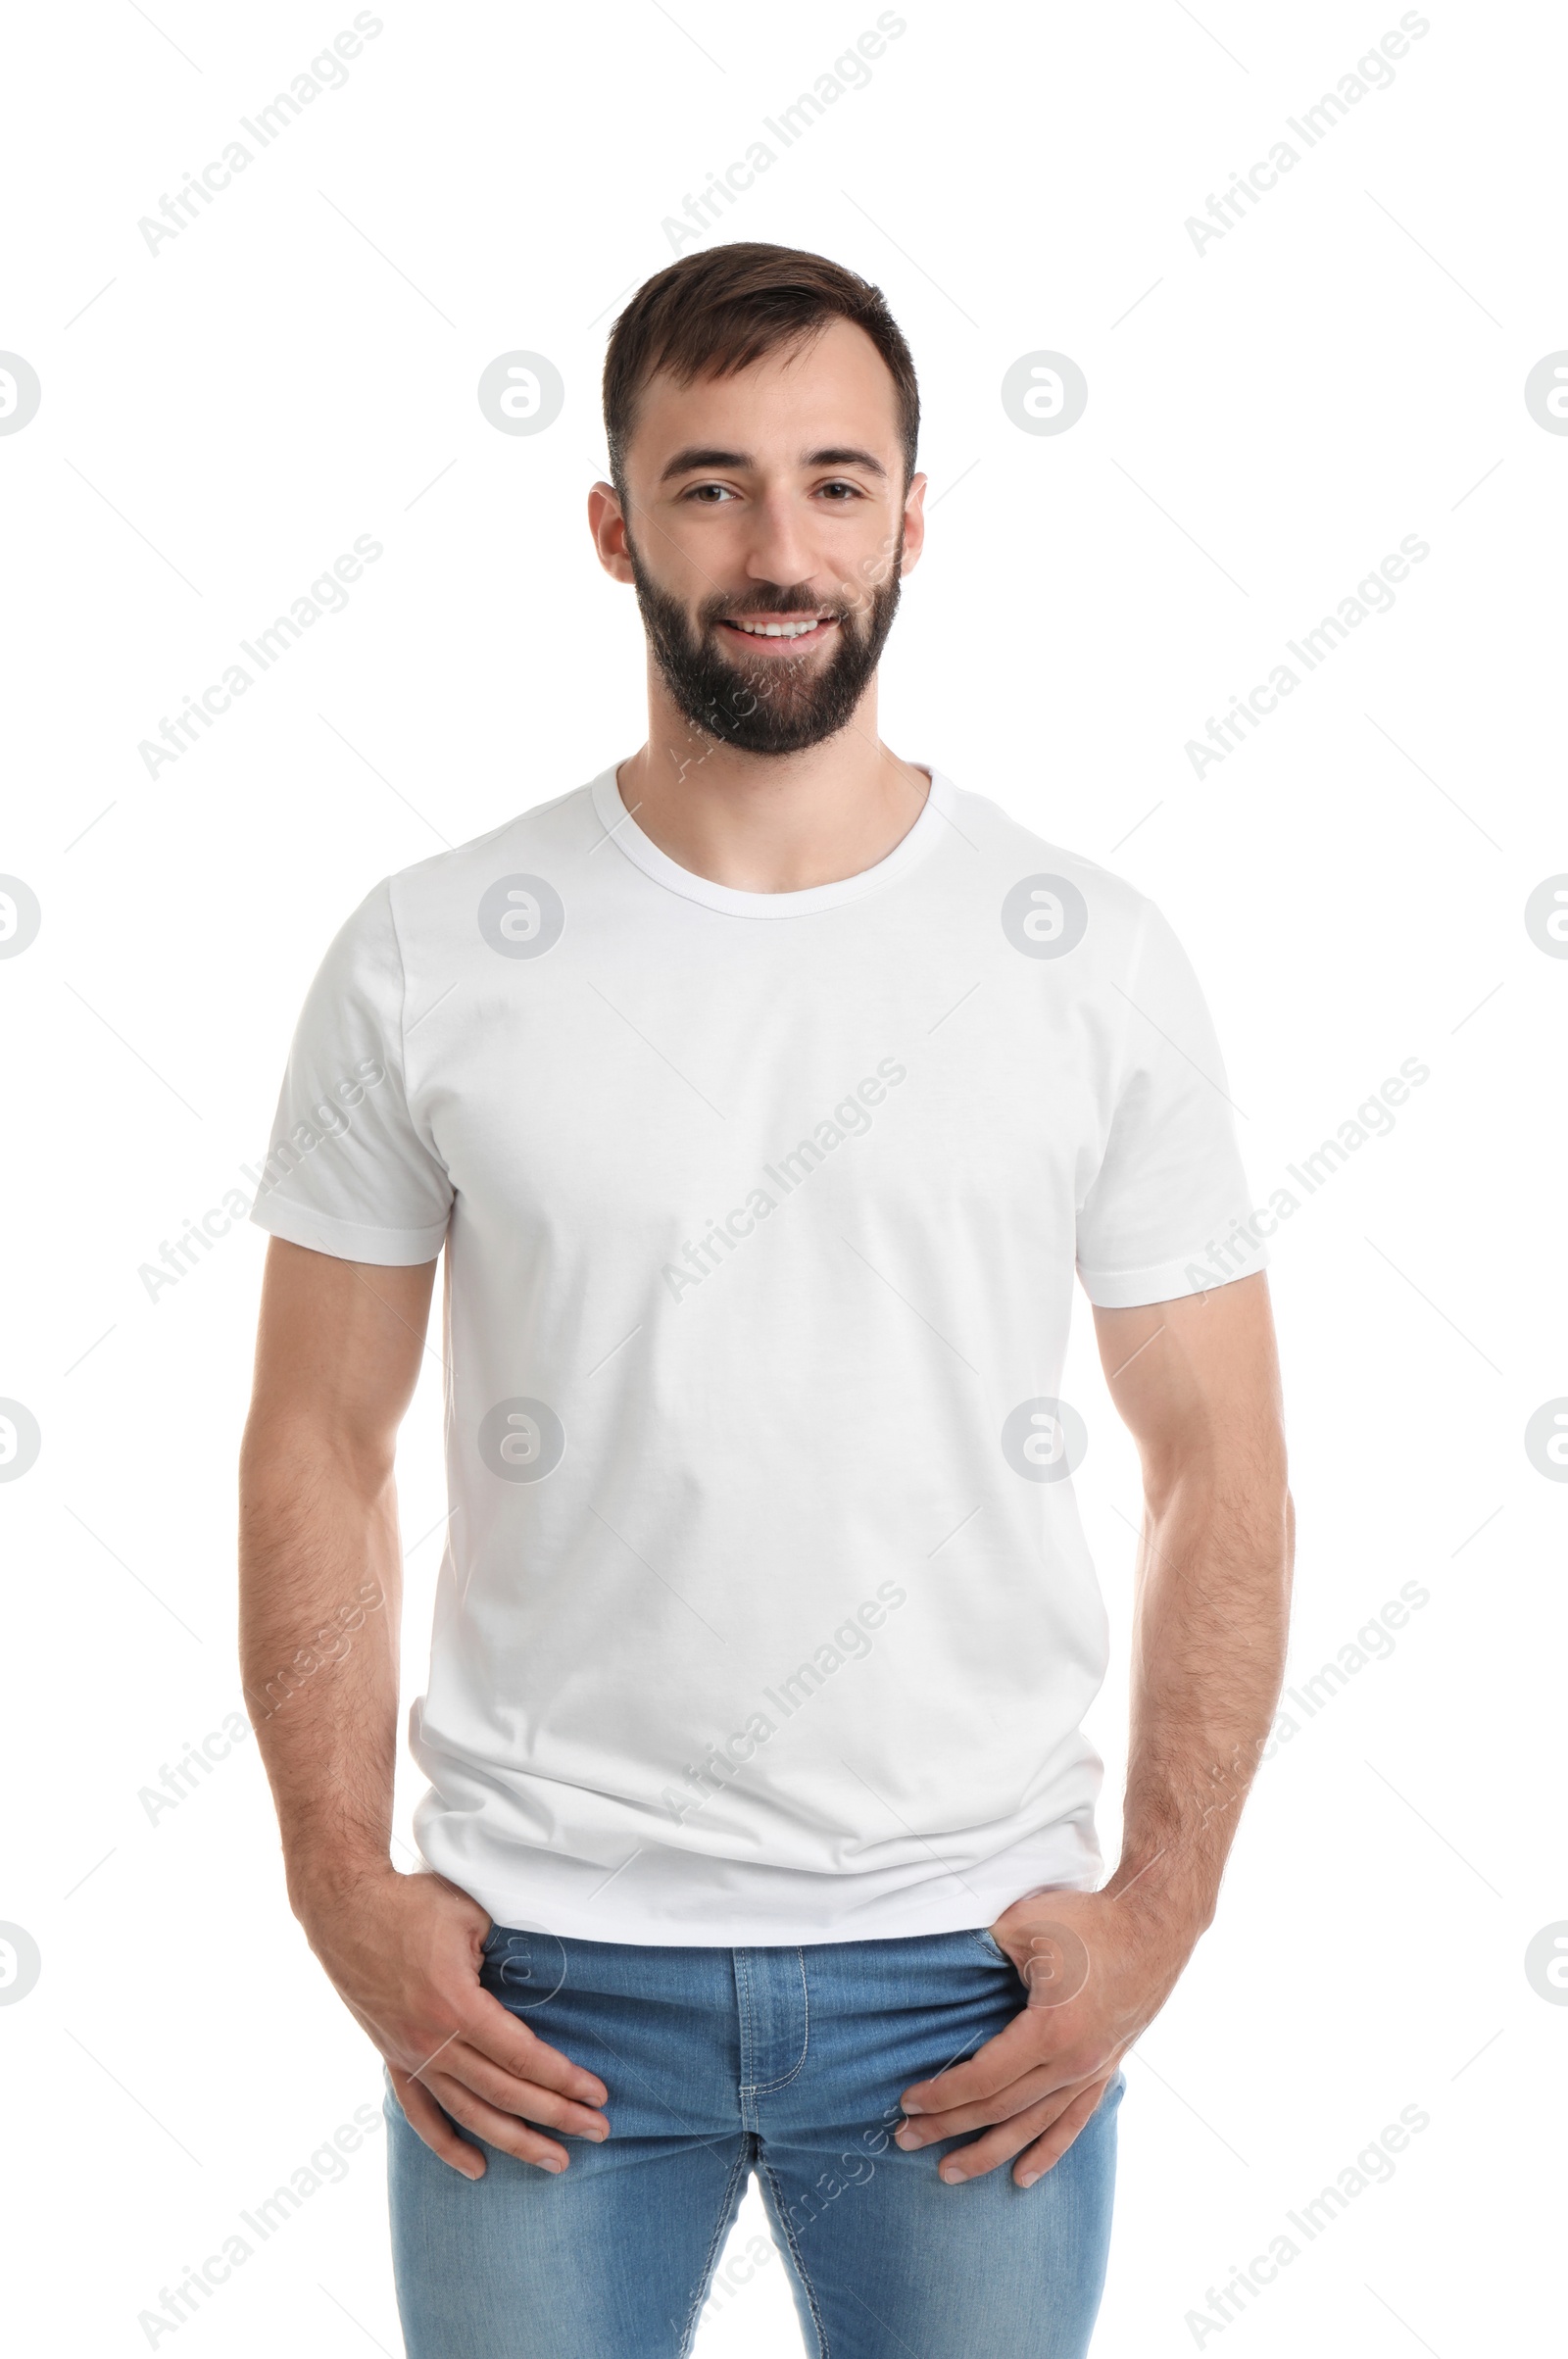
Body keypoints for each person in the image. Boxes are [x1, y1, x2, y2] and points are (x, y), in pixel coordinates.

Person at [239, 241, 1293, 2359]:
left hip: (965, 1985)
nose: (776, 544)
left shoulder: (1078, 952)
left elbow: (1218, 1466)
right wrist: (341, 1884)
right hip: (532, 1987)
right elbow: (313, 1442)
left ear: (912, 519)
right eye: (710, 484)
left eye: (833, 479)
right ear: (613, 525)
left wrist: (1157, 1907)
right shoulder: (433, 949)